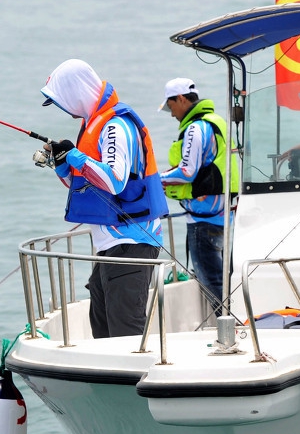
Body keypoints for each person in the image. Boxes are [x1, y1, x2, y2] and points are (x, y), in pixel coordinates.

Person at [39, 59, 168, 338]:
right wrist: (61, 164)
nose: (65, 110)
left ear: (76, 93)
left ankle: (133, 378)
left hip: (130, 243)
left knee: (124, 332)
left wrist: (73, 154)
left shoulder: (115, 127)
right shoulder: (93, 125)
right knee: (102, 328)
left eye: (63, 102)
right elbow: (85, 185)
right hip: (110, 245)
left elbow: (114, 181)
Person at [158, 78, 240, 311]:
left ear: (181, 99)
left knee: (211, 281)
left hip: (204, 218)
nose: (171, 113)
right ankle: (231, 326)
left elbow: (187, 171)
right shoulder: (216, 122)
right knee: (221, 278)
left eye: (170, 106)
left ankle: (229, 330)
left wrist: (154, 181)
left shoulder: (195, 128)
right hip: (221, 214)